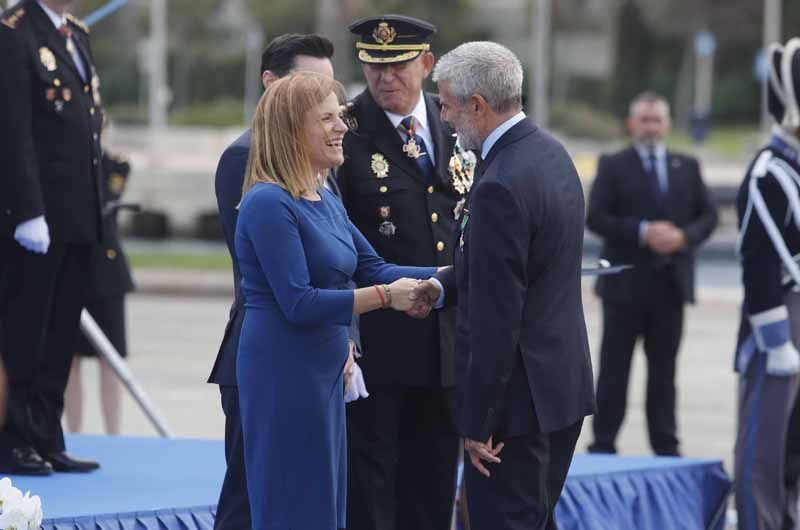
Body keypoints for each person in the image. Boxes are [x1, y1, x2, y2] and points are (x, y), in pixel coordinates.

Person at [236, 71, 440, 530]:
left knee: (325, 507)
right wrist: (388, 298)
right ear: (291, 131)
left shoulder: (324, 195)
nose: (342, 127)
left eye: (340, 116)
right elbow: (300, 302)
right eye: (326, 118)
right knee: (294, 503)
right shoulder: (269, 203)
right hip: (285, 372)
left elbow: (376, 267)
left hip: (322, 372)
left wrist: (457, 276)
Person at [413, 41, 596, 530]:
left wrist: (476, 424)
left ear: (478, 105)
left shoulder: (498, 184)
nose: (443, 116)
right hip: (557, 393)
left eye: (447, 104)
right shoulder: (550, 154)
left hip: (513, 414)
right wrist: (445, 285)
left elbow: (498, 319)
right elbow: (528, 270)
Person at [208, 33, 346, 530]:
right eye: (307, 86)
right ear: (271, 84)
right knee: (252, 502)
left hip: (319, 354)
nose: (328, 111)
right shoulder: (248, 162)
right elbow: (272, 275)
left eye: (328, 91)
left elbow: (345, 259)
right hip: (272, 352)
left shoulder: (319, 164)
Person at [337, 15, 469, 530]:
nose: (385, 77)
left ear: (427, 64)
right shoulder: (345, 129)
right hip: (380, 343)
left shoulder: (452, 122)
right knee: (373, 489)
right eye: (374, 66)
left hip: (447, 345)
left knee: (435, 483)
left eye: (397, 65)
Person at [0, 0, 104, 475]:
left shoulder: (75, 33)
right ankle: (14, 438)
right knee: (26, 332)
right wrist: (26, 211)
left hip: (79, 212)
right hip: (35, 218)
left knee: (61, 333)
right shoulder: (14, 31)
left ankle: (46, 433)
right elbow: (13, 128)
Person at [586, 91, 718, 457]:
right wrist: (643, 231)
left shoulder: (687, 165)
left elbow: (708, 216)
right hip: (624, 289)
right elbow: (595, 217)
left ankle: (666, 446)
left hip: (670, 288)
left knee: (664, 377)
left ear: (668, 124)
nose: (650, 126)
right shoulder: (613, 164)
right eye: (644, 119)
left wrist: (681, 237)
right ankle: (603, 445)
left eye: (656, 119)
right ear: (632, 124)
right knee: (614, 373)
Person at [733, 39, 800, 530]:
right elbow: (758, 263)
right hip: (779, 321)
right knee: (765, 444)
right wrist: (776, 340)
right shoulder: (769, 171)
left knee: (793, 443)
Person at [65, 152, 135, 435]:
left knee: (112, 360)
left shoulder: (114, 165)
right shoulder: (66, 162)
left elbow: (104, 202)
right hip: (73, 272)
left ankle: (113, 432)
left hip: (107, 275)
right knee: (70, 361)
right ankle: (73, 432)